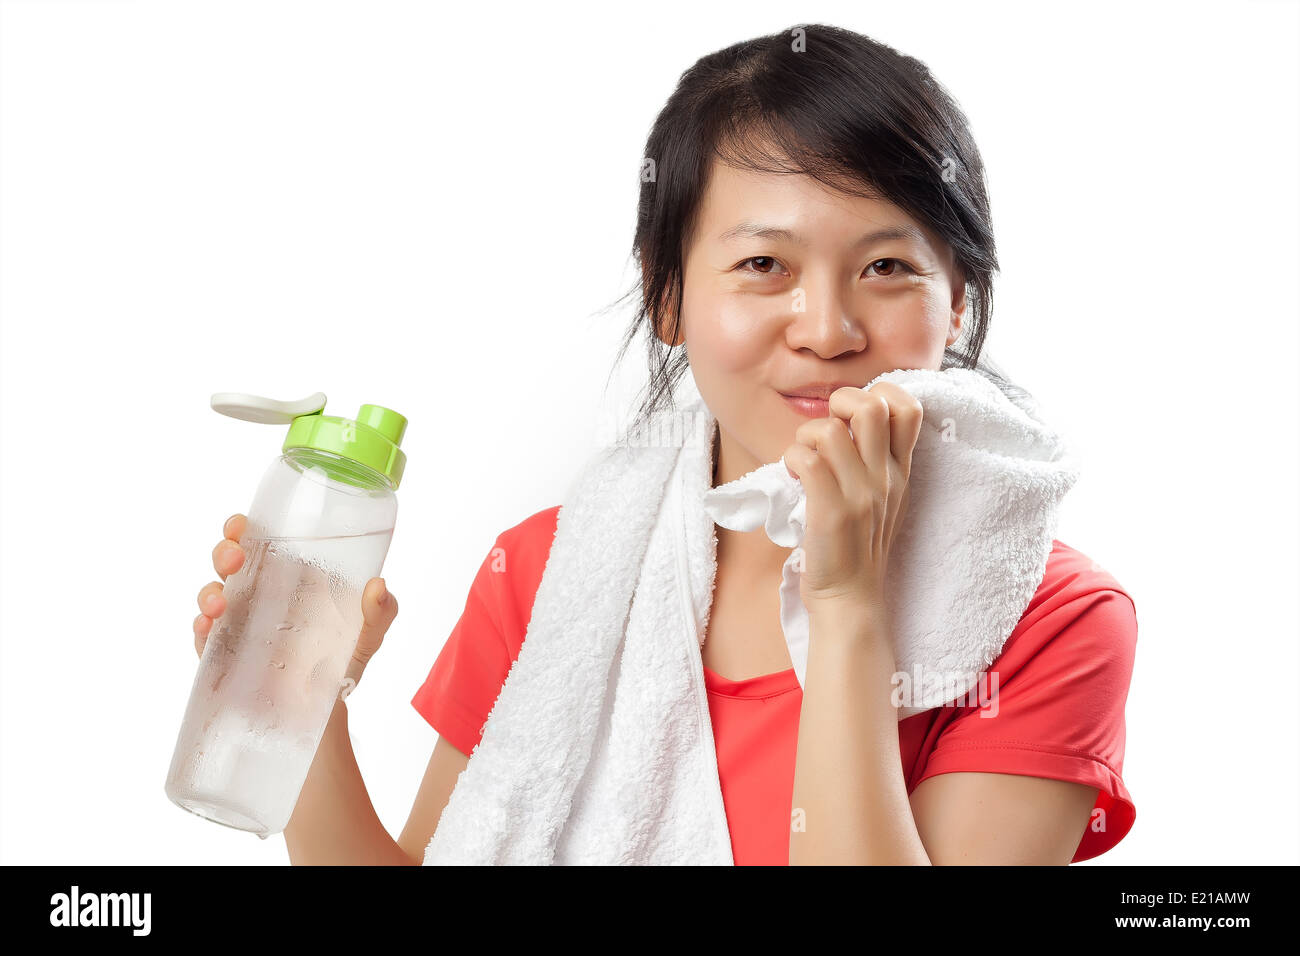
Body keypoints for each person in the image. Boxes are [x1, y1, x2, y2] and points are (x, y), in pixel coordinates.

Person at [192, 23, 1138, 865]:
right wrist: (294, 692)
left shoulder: (1050, 620)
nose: (827, 328)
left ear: (959, 302)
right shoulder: (552, 571)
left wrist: (847, 604)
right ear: (670, 296)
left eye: (888, 267)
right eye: (764, 264)